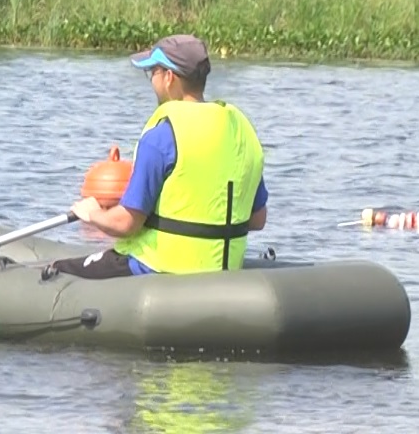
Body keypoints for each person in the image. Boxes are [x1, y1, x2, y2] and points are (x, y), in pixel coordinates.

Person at [45, 34, 268, 279]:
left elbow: (126, 224)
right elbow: (257, 219)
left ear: (169, 77)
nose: (152, 80)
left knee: (57, 272)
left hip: (156, 269)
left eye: (153, 72)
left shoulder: (163, 135)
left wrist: (93, 213)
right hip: (222, 271)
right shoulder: (242, 131)